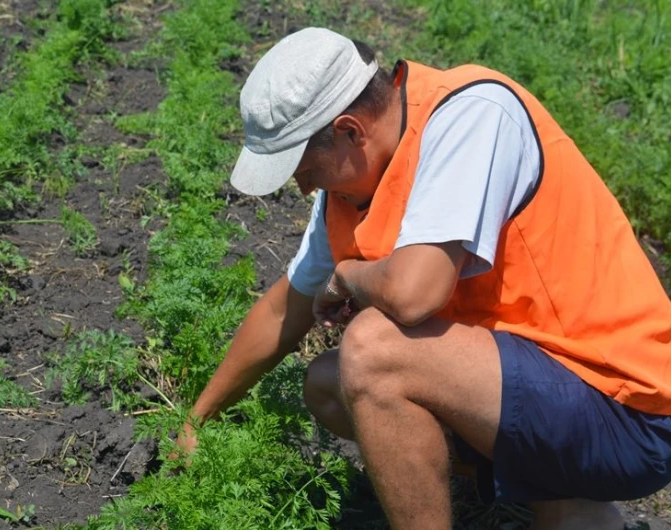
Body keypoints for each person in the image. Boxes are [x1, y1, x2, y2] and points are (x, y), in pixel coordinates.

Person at [175, 27, 671, 530]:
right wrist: (198, 418)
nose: (303, 186)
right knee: (328, 383)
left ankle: (565, 489)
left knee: (373, 351)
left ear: (350, 131)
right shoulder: (348, 192)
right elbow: (287, 306)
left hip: (625, 406)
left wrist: (348, 274)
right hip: (536, 394)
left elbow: (413, 295)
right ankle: (568, 502)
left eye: (304, 167)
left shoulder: (473, 116)